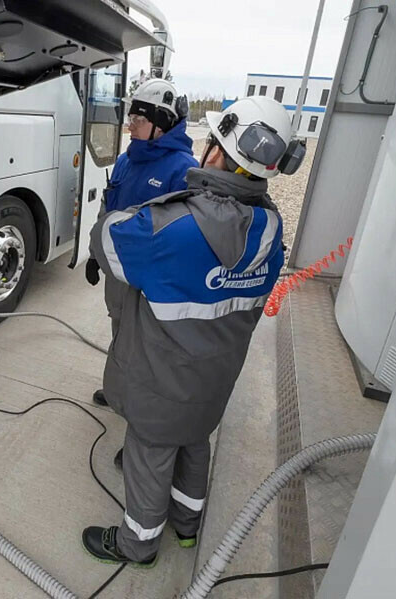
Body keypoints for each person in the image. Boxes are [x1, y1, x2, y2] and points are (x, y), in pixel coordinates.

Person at [81, 96, 307, 566]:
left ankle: (137, 543)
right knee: (195, 443)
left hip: (162, 380)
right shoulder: (269, 228)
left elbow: (106, 243)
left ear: (218, 153)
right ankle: (187, 527)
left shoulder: (172, 227)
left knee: (149, 451)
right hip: (216, 380)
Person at [85, 78, 198, 410]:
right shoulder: (126, 160)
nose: (130, 124)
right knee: (121, 331)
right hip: (120, 275)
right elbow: (109, 209)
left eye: (140, 119)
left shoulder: (185, 170)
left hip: (153, 282)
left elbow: (186, 237)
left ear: (161, 127)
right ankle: (119, 390)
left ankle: (138, 407)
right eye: (131, 117)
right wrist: (95, 253)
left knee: (149, 344)